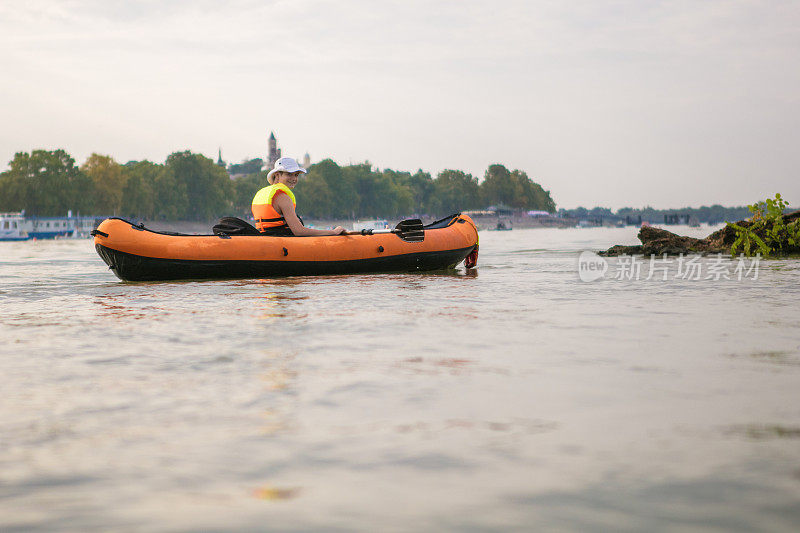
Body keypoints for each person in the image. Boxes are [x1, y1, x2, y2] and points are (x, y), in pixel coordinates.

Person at [252, 157, 346, 236]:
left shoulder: (262, 193)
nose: (294, 179)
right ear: (277, 175)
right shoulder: (282, 196)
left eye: (296, 175)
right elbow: (298, 231)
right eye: (289, 174)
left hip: (265, 238)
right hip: (281, 242)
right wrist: (333, 232)